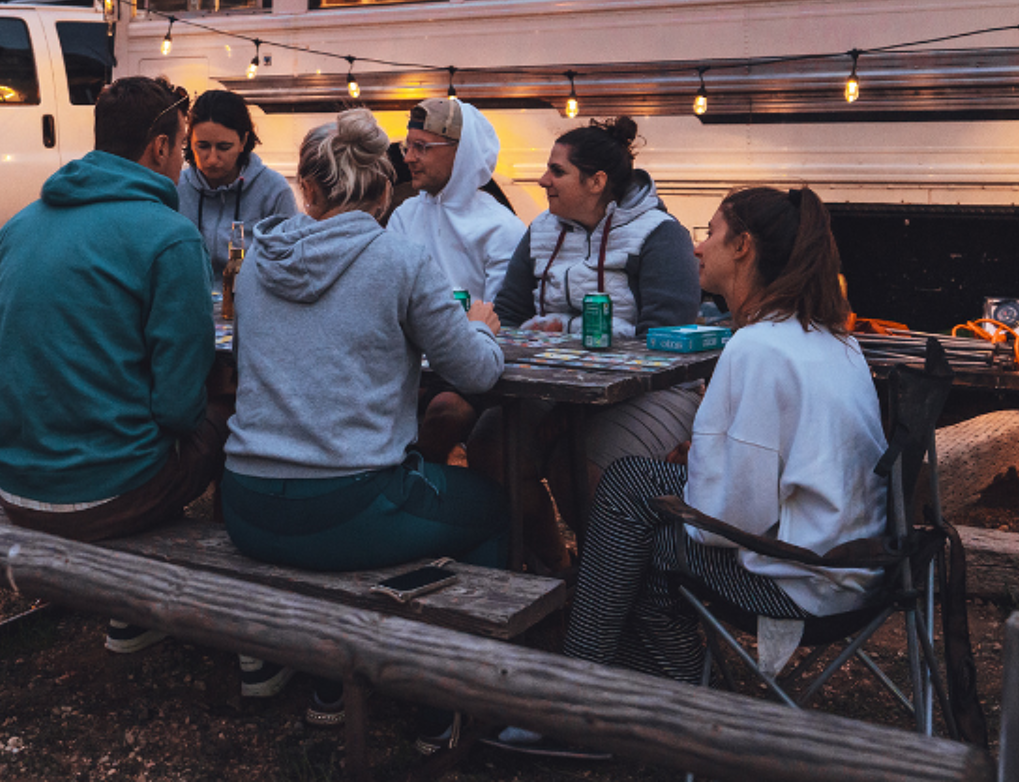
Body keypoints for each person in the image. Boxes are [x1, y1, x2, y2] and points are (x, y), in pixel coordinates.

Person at [490, 186, 883, 757]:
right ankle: (662, 688)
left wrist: (685, 491)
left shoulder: (758, 348)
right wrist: (696, 466)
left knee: (634, 507)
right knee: (636, 494)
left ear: (744, 247)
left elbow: (730, 518)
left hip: (799, 580)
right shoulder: (830, 340)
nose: (698, 248)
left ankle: (574, 697)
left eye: (712, 233)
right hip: (856, 562)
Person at [219, 108, 509, 741]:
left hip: (245, 504)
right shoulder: (399, 260)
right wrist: (482, 330)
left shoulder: (257, 262)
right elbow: (475, 372)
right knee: (488, 508)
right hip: (347, 509)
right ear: (384, 192)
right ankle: (447, 705)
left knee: (412, 507)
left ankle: (329, 676)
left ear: (307, 190)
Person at [0, 75, 225, 654]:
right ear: (160, 148)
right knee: (231, 414)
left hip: (13, 484)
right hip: (111, 494)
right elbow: (179, 406)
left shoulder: (19, 226)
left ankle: (137, 605)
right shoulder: (169, 237)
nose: (185, 162)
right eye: (184, 147)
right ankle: (234, 622)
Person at [427, 118, 701, 566]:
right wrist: (550, 379)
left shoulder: (659, 235)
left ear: (596, 182)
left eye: (557, 171)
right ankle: (555, 572)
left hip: (650, 391)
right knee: (492, 452)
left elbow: (662, 344)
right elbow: (509, 317)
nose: (543, 180)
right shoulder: (540, 230)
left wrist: (572, 399)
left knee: (583, 474)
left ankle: (613, 588)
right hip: (553, 383)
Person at [385, 96, 526, 303]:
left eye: (421, 146)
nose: (408, 158)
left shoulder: (501, 227)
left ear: (461, 151)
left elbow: (501, 316)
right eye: (408, 146)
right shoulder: (404, 216)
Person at [176, 89, 297, 276]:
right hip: (190, 301)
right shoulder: (176, 188)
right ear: (189, 140)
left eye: (224, 147)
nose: (212, 159)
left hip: (251, 303)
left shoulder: (274, 190)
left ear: (244, 141)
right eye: (203, 146)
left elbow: (287, 264)